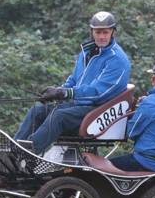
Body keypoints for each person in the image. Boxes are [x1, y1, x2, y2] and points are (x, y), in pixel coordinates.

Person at [14, 11, 131, 155]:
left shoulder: (117, 60)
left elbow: (99, 93)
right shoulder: (86, 53)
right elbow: (74, 80)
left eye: (105, 32)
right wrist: (57, 92)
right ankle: (14, 151)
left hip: (98, 109)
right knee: (37, 112)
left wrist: (68, 93)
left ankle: (27, 153)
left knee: (59, 116)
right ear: (91, 31)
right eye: (98, 32)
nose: (101, 36)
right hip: (79, 106)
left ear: (112, 32)